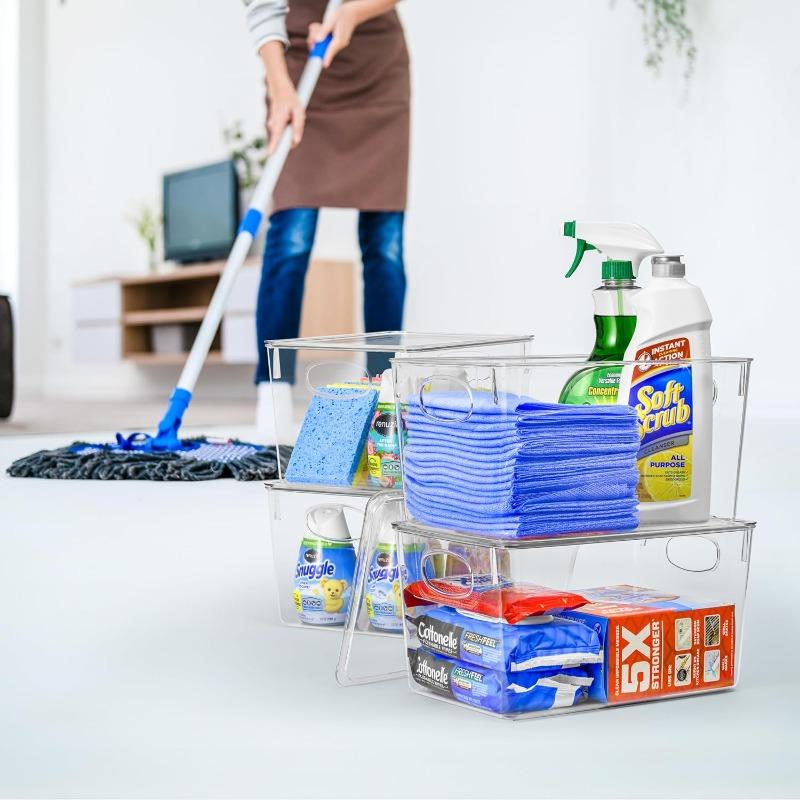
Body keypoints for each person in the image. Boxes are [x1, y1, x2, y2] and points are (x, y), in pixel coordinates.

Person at [243, 0, 410, 436]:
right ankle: (274, 394)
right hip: (298, 63)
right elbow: (263, 9)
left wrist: (354, 12)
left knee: (385, 244)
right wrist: (281, 89)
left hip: (376, 66)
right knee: (291, 235)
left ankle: (384, 393)